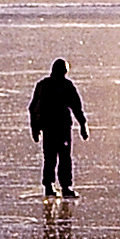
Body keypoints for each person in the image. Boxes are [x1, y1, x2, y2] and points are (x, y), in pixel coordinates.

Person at [27, 58, 87, 199]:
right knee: (58, 158)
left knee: (53, 158)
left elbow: (33, 108)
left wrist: (35, 128)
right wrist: (83, 125)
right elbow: (76, 107)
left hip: (54, 128)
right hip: (58, 128)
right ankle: (60, 186)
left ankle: (54, 186)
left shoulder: (45, 85)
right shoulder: (62, 85)